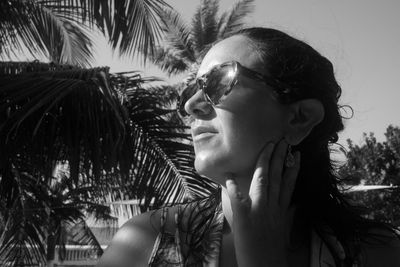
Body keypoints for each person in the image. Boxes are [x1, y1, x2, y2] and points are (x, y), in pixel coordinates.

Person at [97, 27, 400, 267]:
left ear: (300, 117)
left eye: (219, 81)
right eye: (191, 90)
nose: (191, 105)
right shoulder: (144, 244)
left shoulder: (377, 254)